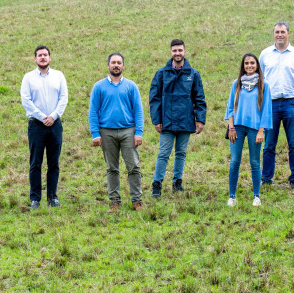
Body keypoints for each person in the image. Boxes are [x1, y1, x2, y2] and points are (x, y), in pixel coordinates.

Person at [148, 39, 207, 197]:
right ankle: (157, 184)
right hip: (166, 121)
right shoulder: (161, 74)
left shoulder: (193, 74)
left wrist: (200, 120)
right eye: (174, 51)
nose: (177, 53)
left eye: (180, 50)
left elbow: (199, 98)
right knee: (163, 153)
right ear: (171, 52)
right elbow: (154, 99)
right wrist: (156, 120)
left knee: (181, 153)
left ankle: (177, 183)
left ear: (185, 52)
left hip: (186, 121)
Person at [89, 52, 145, 212]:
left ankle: (137, 201)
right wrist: (95, 134)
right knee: (112, 168)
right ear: (108, 65)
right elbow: (93, 111)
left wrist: (138, 132)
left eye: (119, 62)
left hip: (128, 131)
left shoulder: (131, 86)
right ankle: (115, 202)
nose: (116, 65)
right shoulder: (99, 86)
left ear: (123, 66)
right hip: (106, 133)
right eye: (113, 62)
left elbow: (138, 111)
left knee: (133, 167)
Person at [259, 21, 294, 188]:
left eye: (282, 32)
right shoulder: (265, 54)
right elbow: (260, 78)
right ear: (273, 34)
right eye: (277, 32)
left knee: (293, 142)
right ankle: (266, 178)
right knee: (269, 143)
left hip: (291, 103)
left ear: (289, 33)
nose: (279, 34)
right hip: (270, 104)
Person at [20, 45, 69, 209]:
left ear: (50, 58)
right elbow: (26, 100)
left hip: (55, 125)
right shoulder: (28, 78)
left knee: (53, 163)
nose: (43, 57)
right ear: (35, 59)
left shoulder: (58, 76)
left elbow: (64, 98)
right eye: (40, 55)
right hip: (36, 125)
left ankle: (52, 197)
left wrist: (53, 116)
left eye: (45, 55)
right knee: (35, 163)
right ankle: (35, 199)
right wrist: (42, 117)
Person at [224, 54, 273, 207]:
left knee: (254, 162)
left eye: (252, 63)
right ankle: (232, 196)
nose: (249, 66)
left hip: (255, 128)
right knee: (234, 162)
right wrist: (231, 127)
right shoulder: (236, 84)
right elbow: (230, 107)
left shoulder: (264, 85)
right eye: (246, 63)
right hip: (237, 127)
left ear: (257, 65)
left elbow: (266, 110)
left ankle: (256, 196)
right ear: (243, 66)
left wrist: (261, 131)